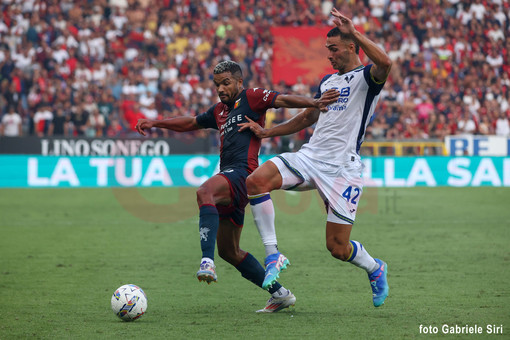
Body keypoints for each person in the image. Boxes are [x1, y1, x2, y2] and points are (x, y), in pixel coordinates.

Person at [135, 60, 339, 312]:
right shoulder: (219, 111)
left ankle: (206, 261)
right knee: (229, 251)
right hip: (230, 179)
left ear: (239, 82)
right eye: (217, 84)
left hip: (244, 174)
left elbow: (283, 100)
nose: (221, 88)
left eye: (226, 83)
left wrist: (314, 102)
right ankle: (280, 294)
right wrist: (156, 123)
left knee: (204, 192)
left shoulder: (252, 97)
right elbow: (191, 122)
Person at [238, 9, 392, 307]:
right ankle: (273, 255)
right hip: (310, 157)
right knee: (255, 182)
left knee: (337, 246)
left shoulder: (366, 78)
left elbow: (385, 62)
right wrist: (268, 133)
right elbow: (309, 116)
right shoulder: (327, 82)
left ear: (350, 47)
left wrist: (355, 30)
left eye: (333, 49)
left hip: (342, 169)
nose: (329, 56)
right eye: (327, 50)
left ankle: (375, 268)